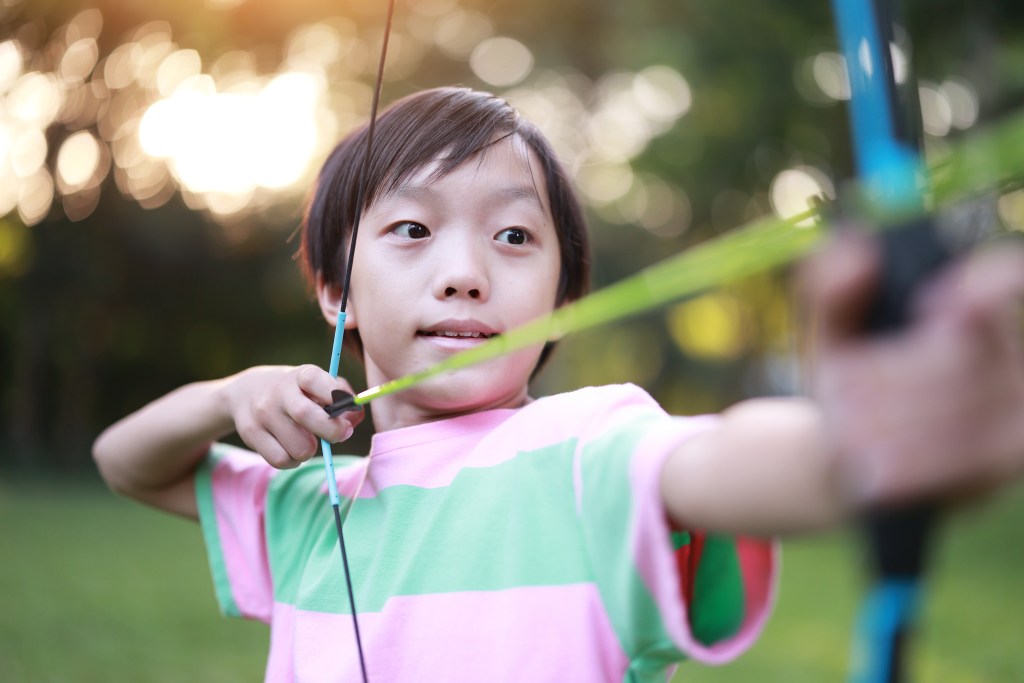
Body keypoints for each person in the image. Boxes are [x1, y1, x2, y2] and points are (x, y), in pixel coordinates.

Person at [93, 87, 1024, 682]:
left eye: (514, 237)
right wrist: (227, 396)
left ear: (560, 300)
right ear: (336, 289)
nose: (464, 272)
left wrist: (857, 446)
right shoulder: (307, 507)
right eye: (412, 229)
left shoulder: (586, 450)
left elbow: (724, 461)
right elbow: (126, 461)